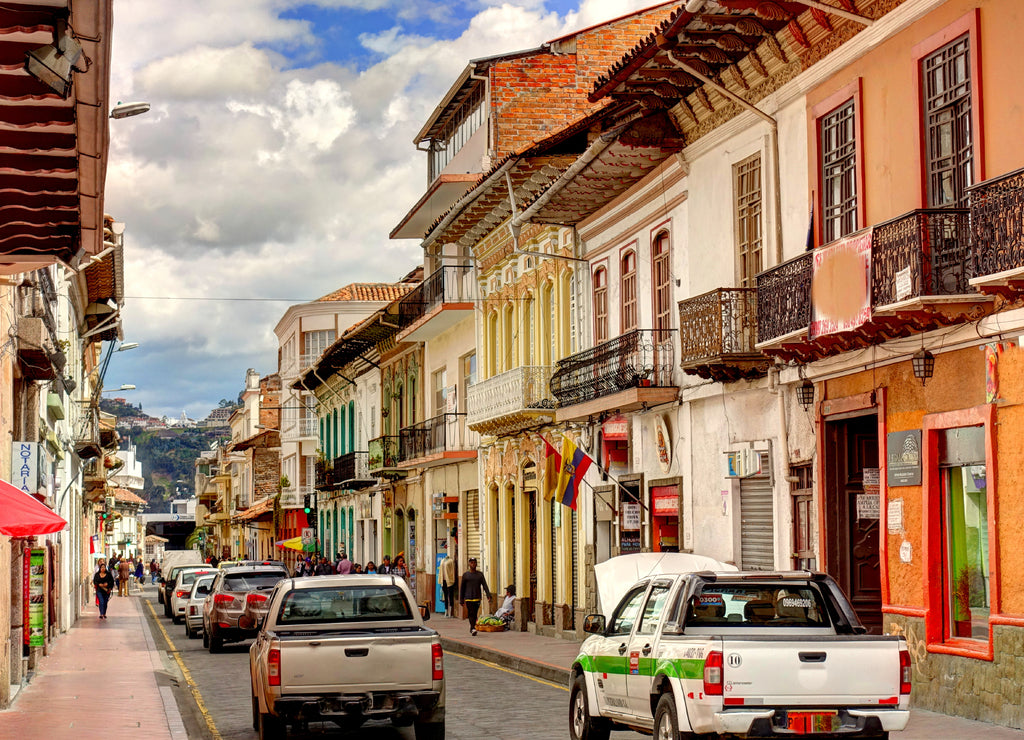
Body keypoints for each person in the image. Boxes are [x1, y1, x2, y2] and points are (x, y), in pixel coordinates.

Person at [459, 557, 491, 636]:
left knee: (475, 613)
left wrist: (488, 595)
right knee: (471, 613)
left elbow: (484, 585)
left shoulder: (479, 575)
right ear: (469, 564)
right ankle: (473, 628)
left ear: (476, 564)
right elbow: (462, 588)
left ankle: (472, 627)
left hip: (477, 597)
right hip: (468, 598)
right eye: (471, 562)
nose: (473, 564)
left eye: (474, 562)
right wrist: (461, 599)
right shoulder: (465, 575)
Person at [439, 552, 456, 618]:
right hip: (443, 581)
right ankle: (446, 611)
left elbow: (452, 571)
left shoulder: (450, 561)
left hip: (449, 581)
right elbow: (441, 571)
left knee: (450, 596)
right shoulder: (442, 560)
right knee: (445, 596)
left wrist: (452, 579)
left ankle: (450, 612)